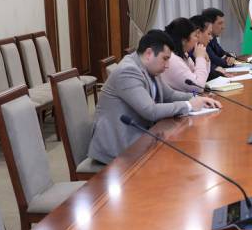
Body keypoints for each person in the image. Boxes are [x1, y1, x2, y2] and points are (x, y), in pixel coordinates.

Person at [88, 30, 221, 164]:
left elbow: (170, 95)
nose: (167, 65)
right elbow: (150, 111)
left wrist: (198, 97)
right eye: (165, 59)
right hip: (119, 148)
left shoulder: (149, 67)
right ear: (149, 54)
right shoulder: (128, 71)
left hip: (141, 138)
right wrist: (189, 105)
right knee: (180, 160)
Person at [161, 17, 210, 92]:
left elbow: (201, 78)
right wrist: (200, 58)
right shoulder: (172, 59)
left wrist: (205, 59)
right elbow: (198, 87)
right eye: (195, 35)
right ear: (184, 40)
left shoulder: (183, 54)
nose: (197, 39)